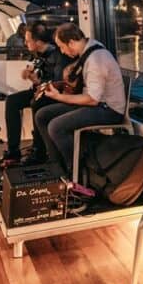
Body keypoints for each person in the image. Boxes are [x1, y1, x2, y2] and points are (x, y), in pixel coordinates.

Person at [34, 23, 126, 175]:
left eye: (62, 47)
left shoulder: (96, 59)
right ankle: (56, 165)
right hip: (97, 103)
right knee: (42, 115)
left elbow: (92, 100)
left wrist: (59, 96)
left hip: (108, 109)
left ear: (71, 42)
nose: (62, 52)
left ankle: (75, 171)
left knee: (56, 127)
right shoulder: (89, 49)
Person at [1, 21, 70, 166]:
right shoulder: (37, 54)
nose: (25, 43)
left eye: (27, 40)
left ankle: (39, 151)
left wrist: (39, 83)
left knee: (37, 102)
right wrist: (33, 78)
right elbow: (39, 79)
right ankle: (13, 150)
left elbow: (57, 84)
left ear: (38, 42)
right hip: (40, 90)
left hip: (54, 95)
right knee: (12, 101)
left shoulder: (58, 55)